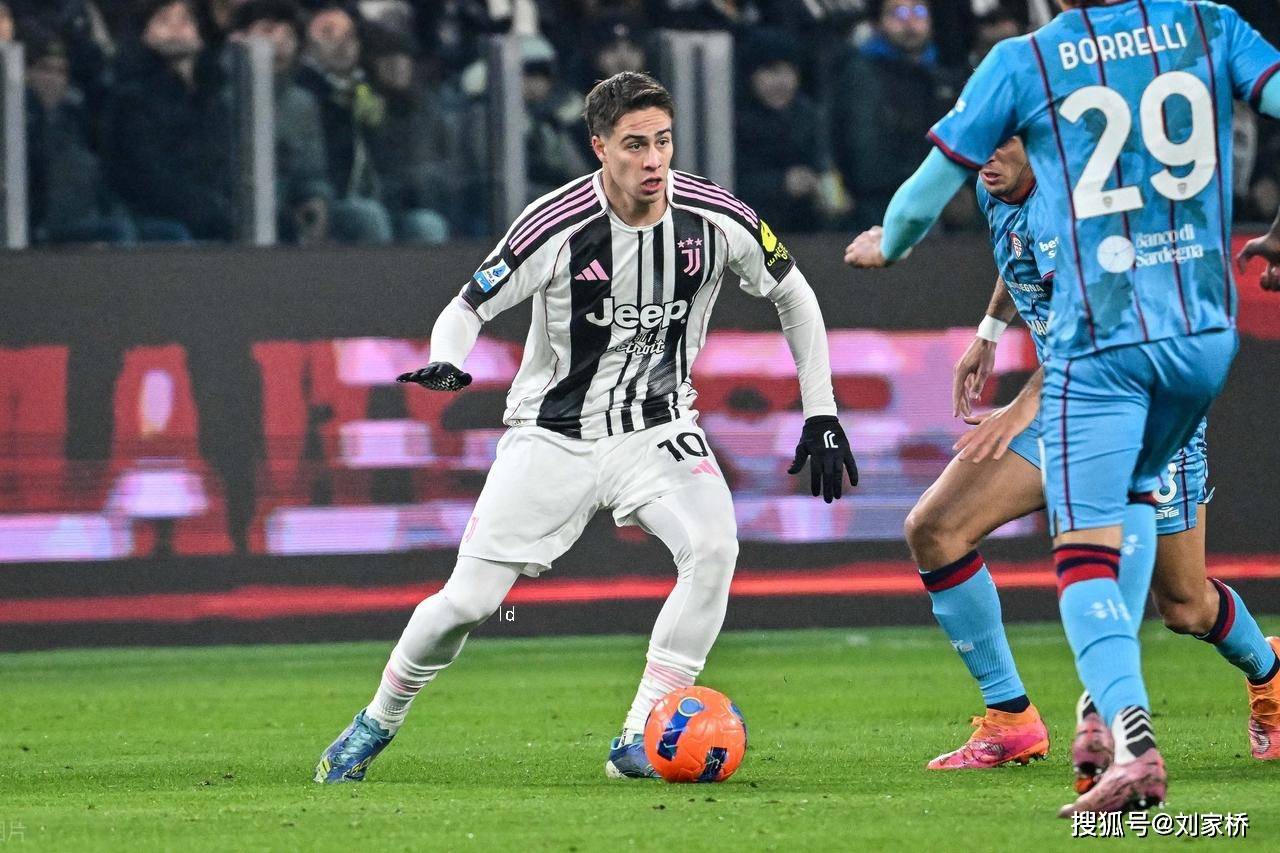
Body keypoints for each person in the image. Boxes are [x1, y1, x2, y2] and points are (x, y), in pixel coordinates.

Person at [315, 71, 858, 784]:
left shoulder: (714, 216)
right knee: (467, 604)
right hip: (553, 434)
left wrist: (821, 410)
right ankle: (376, 721)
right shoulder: (556, 223)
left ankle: (638, 737)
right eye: (635, 144)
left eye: (663, 141)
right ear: (599, 147)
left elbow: (795, 293)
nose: (654, 160)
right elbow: (467, 306)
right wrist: (447, 358)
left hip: (657, 427)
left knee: (714, 547)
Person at [845, 0, 1280, 815]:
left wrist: (1024, 400)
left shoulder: (1078, 179)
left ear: (1039, 133)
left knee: (1184, 604)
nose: (987, 160)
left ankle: (1264, 676)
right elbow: (1026, 263)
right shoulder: (1006, 186)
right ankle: (1014, 717)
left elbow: (1104, 323)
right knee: (934, 527)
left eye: (1002, 142)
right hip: (1096, 380)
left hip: (1110, 383)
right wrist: (989, 330)